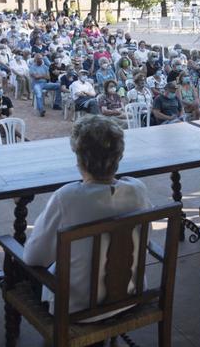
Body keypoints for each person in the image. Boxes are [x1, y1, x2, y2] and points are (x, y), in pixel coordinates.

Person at [23, 115, 152, 321]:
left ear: (79, 158)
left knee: (19, 267)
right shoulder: (138, 190)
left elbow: (34, 257)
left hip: (78, 308)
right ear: (119, 156)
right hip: (131, 295)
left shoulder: (67, 198)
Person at [30, 52, 61, 116]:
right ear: (35, 60)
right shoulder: (32, 67)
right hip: (36, 84)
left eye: (41, 58)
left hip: (45, 83)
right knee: (39, 94)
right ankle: (41, 110)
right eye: (39, 59)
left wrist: (40, 76)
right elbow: (35, 77)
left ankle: (56, 104)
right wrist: (43, 76)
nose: (40, 60)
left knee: (59, 86)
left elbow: (48, 77)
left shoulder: (45, 67)